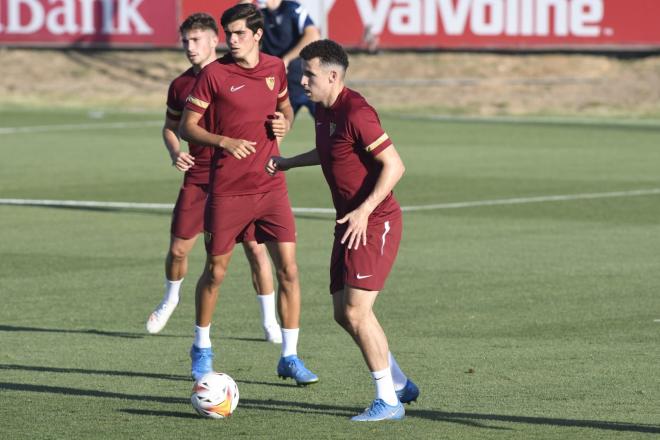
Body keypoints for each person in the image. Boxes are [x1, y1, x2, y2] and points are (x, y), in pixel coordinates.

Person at [266, 39, 419, 421]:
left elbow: (395, 165)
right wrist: (288, 163)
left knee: (356, 310)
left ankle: (388, 401)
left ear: (333, 76)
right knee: (342, 312)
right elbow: (330, 150)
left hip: (374, 221)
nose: (302, 81)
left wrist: (366, 211)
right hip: (349, 222)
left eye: (310, 74)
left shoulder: (357, 111)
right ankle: (399, 383)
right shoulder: (323, 110)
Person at [179, 3, 318, 385]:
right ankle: (201, 346)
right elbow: (188, 127)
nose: (232, 40)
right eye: (229, 34)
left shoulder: (275, 67)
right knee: (215, 271)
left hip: (272, 185)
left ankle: (289, 356)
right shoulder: (213, 74)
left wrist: (284, 123)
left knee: (289, 269)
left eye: (239, 33)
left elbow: (286, 109)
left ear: (258, 34)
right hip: (228, 190)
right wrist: (223, 140)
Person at [146, 12, 282, 345]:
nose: (189, 47)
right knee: (179, 250)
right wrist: (175, 151)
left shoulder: (230, 73)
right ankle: (170, 299)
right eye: (185, 41)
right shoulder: (180, 85)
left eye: (195, 40)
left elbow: (270, 112)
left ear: (212, 40)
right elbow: (171, 126)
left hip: (237, 175)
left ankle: (270, 321)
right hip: (198, 175)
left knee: (254, 248)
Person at [240, 0, 320, 116]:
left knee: (330, 129)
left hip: (306, 80)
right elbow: (236, 17)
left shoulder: (292, 8)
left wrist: (286, 59)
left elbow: (313, 35)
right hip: (279, 84)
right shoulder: (258, 13)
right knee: (272, 130)